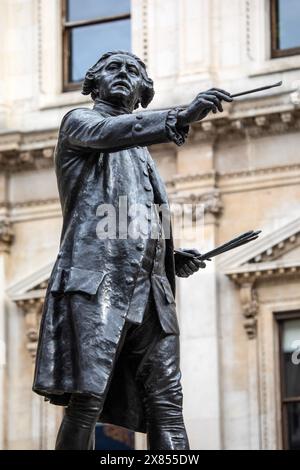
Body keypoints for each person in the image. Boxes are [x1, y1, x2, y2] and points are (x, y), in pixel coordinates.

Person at [32, 50, 232, 450]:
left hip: (152, 294)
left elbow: (133, 222)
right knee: (86, 401)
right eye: (113, 67)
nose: (123, 74)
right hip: (98, 286)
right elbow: (112, 133)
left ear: (143, 90)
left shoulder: (142, 154)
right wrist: (179, 115)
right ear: (94, 82)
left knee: (168, 405)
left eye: (134, 71)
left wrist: (170, 257)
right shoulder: (82, 123)